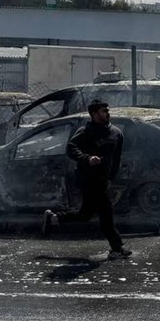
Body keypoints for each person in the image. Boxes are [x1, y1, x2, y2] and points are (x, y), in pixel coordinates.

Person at [49, 99, 130, 259]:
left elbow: (117, 159)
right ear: (94, 114)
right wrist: (87, 158)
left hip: (103, 180)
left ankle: (55, 218)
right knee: (106, 212)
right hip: (88, 178)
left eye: (107, 110)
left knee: (85, 214)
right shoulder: (86, 131)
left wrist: (111, 178)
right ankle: (117, 248)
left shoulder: (116, 133)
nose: (108, 113)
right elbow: (71, 148)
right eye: (103, 111)